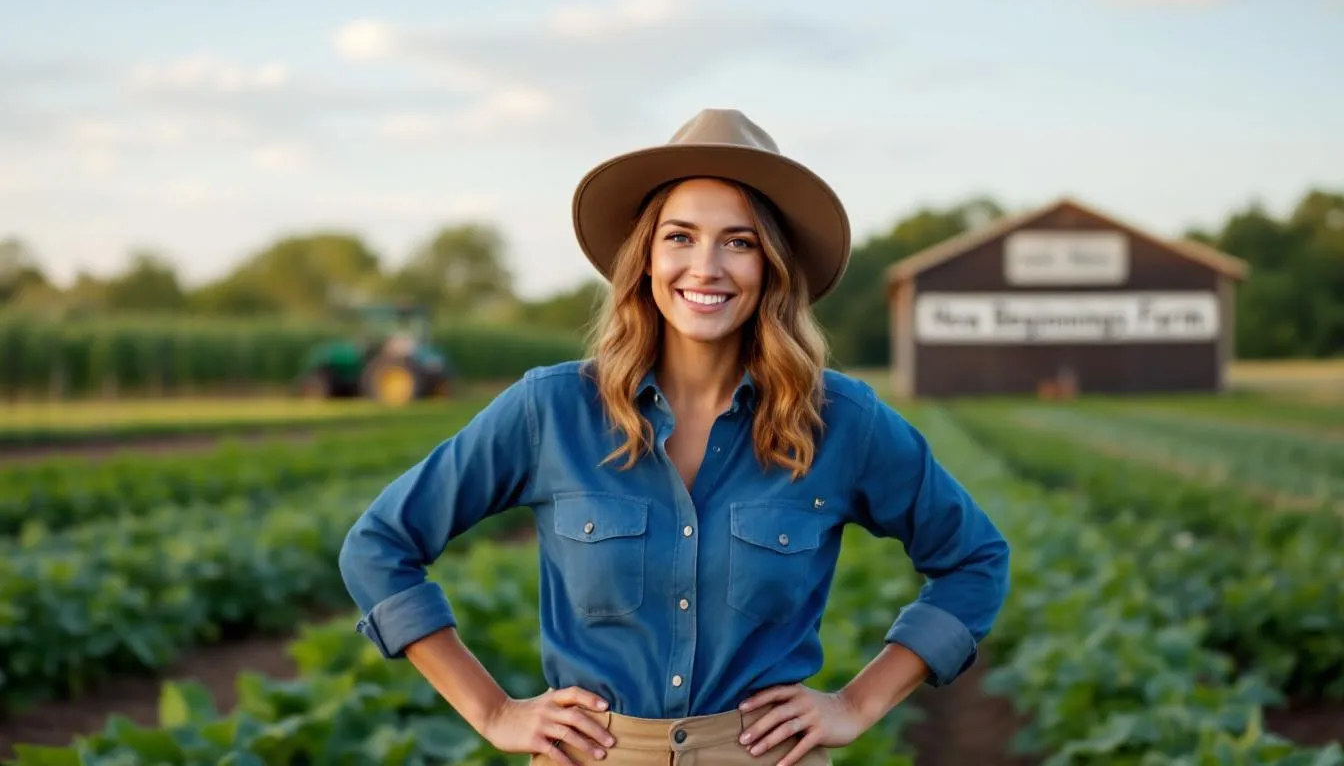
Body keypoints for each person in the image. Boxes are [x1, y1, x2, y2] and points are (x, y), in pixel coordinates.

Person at [338, 108, 1011, 765]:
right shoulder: (553, 409)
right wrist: (492, 712)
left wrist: (859, 704)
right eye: (680, 236)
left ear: (771, 265)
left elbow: (974, 560)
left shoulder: (840, 420)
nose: (707, 266)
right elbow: (380, 547)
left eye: (739, 241)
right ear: (647, 258)